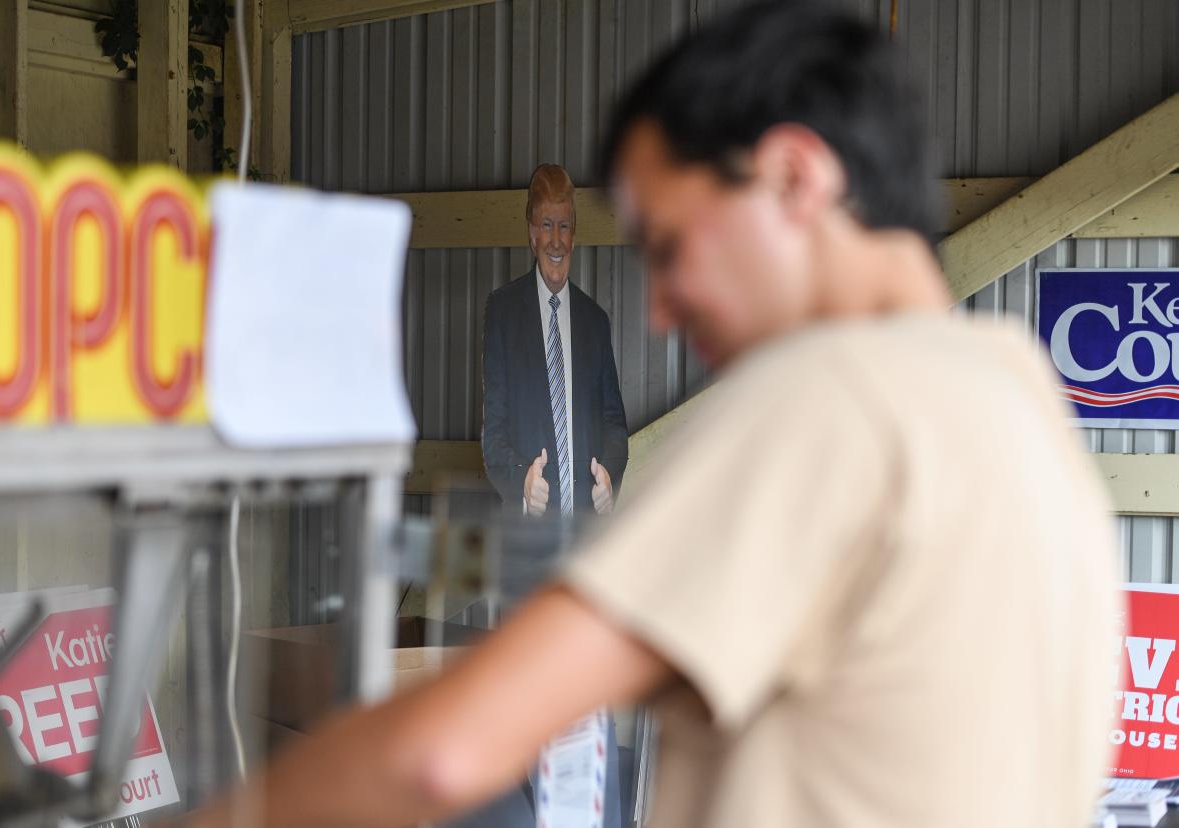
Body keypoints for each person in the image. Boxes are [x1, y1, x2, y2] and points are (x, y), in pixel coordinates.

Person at [190, 2, 1119, 826]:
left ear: (796, 178)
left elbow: (446, 752)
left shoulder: (826, 401)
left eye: (670, 247)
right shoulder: (1018, 399)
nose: (661, 307)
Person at [481, 164, 629, 518]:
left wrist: (609, 473)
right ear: (532, 234)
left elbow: (615, 425)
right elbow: (493, 433)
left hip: (585, 533)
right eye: (546, 226)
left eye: (564, 226)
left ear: (574, 233)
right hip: (528, 536)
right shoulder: (502, 313)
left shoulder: (595, 322)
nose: (556, 240)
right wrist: (522, 482)